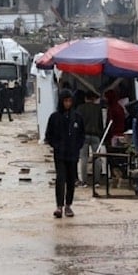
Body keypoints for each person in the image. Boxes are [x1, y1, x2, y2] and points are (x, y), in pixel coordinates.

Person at [44, 89, 85, 218]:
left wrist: (77, 147)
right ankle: (59, 206)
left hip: (73, 154)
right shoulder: (54, 117)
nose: (67, 103)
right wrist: (56, 146)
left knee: (71, 180)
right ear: (61, 102)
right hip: (60, 154)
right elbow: (48, 135)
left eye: (69, 101)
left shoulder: (77, 117)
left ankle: (68, 205)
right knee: (60, 179)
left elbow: (82, 135)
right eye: (65, 101)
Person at [76, 91, 104, 187]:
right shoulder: (98, 108)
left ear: (85, 98)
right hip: (96, 136)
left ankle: (84, 182)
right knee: (97, 158)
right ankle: (96, 181)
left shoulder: (80, 108)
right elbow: (101, 124)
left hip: (84, 136)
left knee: (84, 158)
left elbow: (77, 124)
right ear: (93, 99)